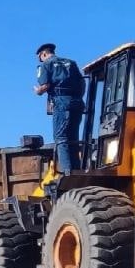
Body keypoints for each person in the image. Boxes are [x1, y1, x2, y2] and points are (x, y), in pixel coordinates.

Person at [34, 42, 86, 177]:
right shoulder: (71, 63)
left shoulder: (46, 65)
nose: (41, 59)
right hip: (77, 102)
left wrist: (38, 91)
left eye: (41, 57)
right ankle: (77, 170)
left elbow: (45, 85)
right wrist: (78, 97)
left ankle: (68, 173)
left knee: (61, 137)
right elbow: (82, 82)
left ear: (44, 54)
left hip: (61, 103)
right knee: (73, 137)